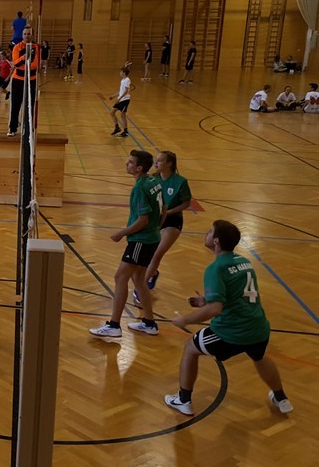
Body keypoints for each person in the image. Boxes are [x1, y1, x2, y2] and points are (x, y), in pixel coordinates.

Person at [165, 220, 293, 416]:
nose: (206, 233)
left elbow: (215, 309)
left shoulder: (215, 269)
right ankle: (281, 398)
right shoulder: (244, 262)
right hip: (259, 327)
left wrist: (185, 320)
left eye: (210, 232)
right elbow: (236, 294)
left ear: (216, 241)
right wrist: (206, 300)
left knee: (191, 347)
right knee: (259, 357)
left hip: (232, 332)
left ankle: (183, 400)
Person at [89, 149, 162, 339]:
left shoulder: (139, 188)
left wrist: (121, 233)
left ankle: (114, 325)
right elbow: (164, 209)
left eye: (130, 162)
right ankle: (149, 323)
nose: (126, 164)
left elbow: (143, 220)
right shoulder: (154, 181)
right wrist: (157, 228)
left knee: (120, 277)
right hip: (152, 238)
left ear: (139, 168)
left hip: (141, 240)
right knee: (139, 280)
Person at [137, 150, 191, 302]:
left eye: (160, 160)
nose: (156, 162)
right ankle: (153, 273)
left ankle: (141, 288)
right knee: (147, 253)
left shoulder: (180, 182)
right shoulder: (152, 179)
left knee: (157, 253)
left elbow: (186, 203)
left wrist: (169, 212)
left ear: (169, 164)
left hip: (172, 220)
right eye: (156, 159)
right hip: (156, 219)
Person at [8, 27, 41, 137]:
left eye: (29, 34)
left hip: (31, 80)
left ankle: (27, 129)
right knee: (15, 106)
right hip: (18, 80)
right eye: (25, 34)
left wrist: (25, 65)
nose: (27, 36)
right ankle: (12, 128)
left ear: (32, 35)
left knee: (29, 106)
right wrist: (24, 58)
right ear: (22, 35)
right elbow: (16, 63)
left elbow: (35, 64)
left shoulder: (36, 48)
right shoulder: (17, 47)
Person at [108, 66, 132, 138]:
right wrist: (113, 96)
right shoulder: (122, 80)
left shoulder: (127, 80)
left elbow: (126, 91)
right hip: (120, 99)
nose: (120, 73)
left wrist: (120, 98)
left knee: (122, 115)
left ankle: (125, 131)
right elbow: (121, 91)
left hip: (125, 100)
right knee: (112, 112)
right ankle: (117, 128)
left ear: (124, 73)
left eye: (121, 72)